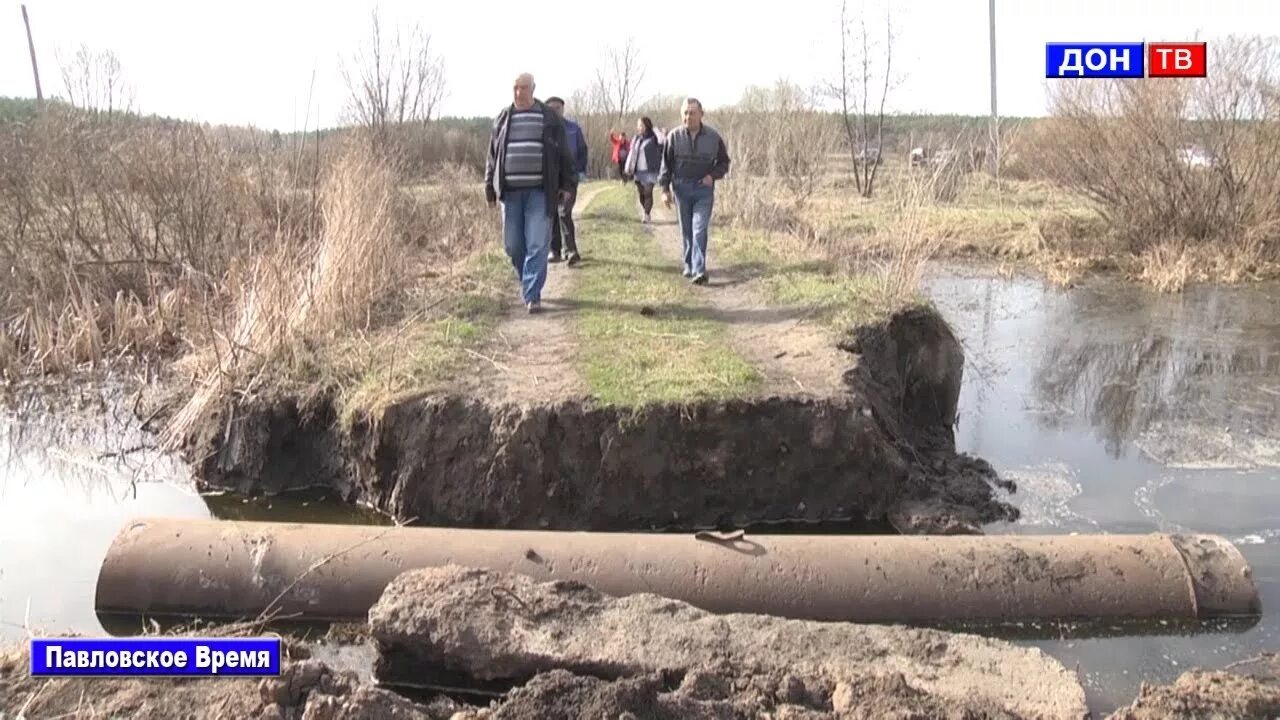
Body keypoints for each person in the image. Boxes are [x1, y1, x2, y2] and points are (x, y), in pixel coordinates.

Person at [484, 72, 576, 313]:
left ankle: (532, 295)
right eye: (515, 88)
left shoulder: (548, 118)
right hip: (510, 193)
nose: (518, 93)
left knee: (537, 244)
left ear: (533, 89)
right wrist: (488, 188)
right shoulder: (503, 119)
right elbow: (492, 157)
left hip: (539, 192)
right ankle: (528, 280)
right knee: (513, 246)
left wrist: (567, 184)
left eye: (523, 88)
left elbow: (564, 154)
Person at [658, 98, 730, 285]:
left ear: (701, 114)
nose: (688, 117)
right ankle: (689, 264)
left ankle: (699, 269)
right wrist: (665, 189)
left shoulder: (713, 138)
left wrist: (712, 176)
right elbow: (666, 165)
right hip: (681, 188)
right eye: (685, 113)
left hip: (703, 190)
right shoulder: (673, 137)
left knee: (699, 228)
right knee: (687, 230)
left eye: (692, 113)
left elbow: (724, 163)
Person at [545, 96, 588, 265]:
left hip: (569, 178)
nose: (555, 110)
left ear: (563, 109)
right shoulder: (543, 130)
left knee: (564, 212)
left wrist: (580, 171)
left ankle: (571, 251)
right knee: (553, 214)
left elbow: (583, 150)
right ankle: (554, 250)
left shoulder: (573, 129)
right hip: (550, 178)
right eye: (551, 108)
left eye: (558, 107)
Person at [624, 116, 662, 224]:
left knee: (648, 192)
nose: (639, 128)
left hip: (650, 170)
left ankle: (646, 214)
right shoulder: (636, 138)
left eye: (641, 125)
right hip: (638, 171)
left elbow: (662, 141)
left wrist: (655, 129)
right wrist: (628, 168)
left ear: (646, 125)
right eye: (638, 126)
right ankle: (645, 210)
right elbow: (631, 154)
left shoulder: (654, 138)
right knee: (641, 194)